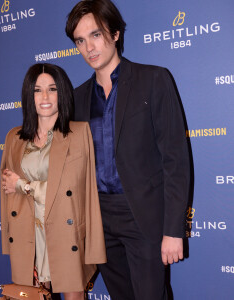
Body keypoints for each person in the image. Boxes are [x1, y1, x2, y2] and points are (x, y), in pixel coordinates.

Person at [65, 0, 190, 299]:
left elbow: (175, 160)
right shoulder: (77, 98)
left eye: (95, 35)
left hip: (143, 217)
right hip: (99, 220)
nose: (89, 48)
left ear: (115, 33)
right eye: (80, 41)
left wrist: (173, 230)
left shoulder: (154, 79)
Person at [0, 63, 106, 300]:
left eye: (52, 88)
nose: (45, 97)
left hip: (65, 230)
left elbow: (72, 190)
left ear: (63, 93)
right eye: (37, 90)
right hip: (27, 233)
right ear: (29, 95)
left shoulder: (79, 133)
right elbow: (7, 192)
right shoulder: (13, 138)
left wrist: (23, 185)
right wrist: (9, 240)